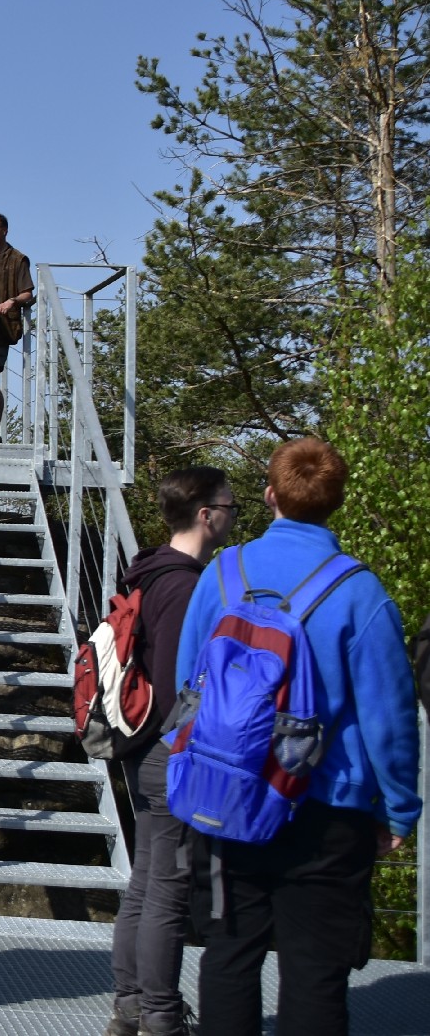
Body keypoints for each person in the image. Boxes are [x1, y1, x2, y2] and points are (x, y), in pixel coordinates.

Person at [170, 438, 421, 1036]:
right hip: (327, 808)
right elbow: (390, 718)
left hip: (228, 794)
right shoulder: (360, 592)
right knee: (317, 971)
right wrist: (400, 812)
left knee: (229, 954)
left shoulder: (222, 576)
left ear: (270, 495)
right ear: (337, 502)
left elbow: (189, 684)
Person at [106, 466, 235, 1036]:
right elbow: (177, 684)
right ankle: (159, 1017)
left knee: (145, 880)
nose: (235, 514)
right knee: (167, 889)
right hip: (167, 750)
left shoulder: (148, 574)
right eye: (230, 505)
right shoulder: (186, 586)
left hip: (139, 749)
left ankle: (131, 1006)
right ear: (205, 514)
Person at [0, 212, 33, 443]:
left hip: (0, 326)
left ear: (4, 230)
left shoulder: (17, 259)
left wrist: (12, 301)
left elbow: (27, 292)